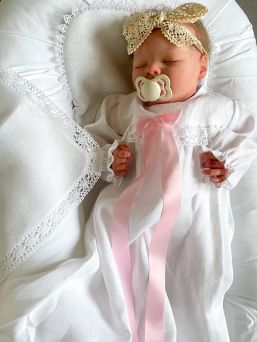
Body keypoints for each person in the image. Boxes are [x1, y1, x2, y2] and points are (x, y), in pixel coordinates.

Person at [85, 3, 257, 342]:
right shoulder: (123, 109)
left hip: (195, 218)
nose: (152, 71)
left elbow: (246, 136)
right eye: (140, 64)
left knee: (199, 281)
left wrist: (226, 163)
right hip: (131, 211)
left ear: (201, 67)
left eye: (171, 62)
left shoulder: (215, 109)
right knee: (126, 270)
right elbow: (92, 137)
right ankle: (123, 325)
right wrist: (110, 157)